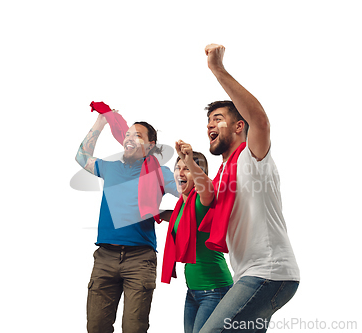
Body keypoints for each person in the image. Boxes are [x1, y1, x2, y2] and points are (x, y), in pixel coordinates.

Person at [199, 44, 300, 333]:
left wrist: (218, 70)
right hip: (248, 273)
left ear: (239, 126)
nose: (210, 125)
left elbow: (261, 120)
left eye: (218, 119)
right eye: (208, 121)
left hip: (269, 272)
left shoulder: (252, 156)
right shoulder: (221, 175)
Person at [75, 111, 179, 333]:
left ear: (150, 146)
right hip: (105, 257)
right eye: (128, 134)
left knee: (134, 328)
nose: (130, 137)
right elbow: (81, 157)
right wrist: (100, 122)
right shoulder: (109, 168)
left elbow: (189, 195)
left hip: (140, 260)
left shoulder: (160, 173)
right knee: (96, 327)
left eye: (138, 135)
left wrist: (170, 214)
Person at [161, 142, 234, 333]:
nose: (180, 173)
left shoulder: (203, 201)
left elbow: (207, 189)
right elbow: (179, 221)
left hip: (214, 290)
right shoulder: (182, 206)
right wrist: (154, 213)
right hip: (193, 292)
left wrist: (190, 159)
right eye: (178, 168)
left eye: (187, 169)